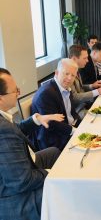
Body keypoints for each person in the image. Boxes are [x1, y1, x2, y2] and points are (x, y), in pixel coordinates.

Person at [0, 68, 63, 220]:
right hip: (13, 200)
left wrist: (35, 119)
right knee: (62, 188)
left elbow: (15, 132)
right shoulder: (3, 130)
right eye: (15, 90)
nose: (18, 93)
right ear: (1, 98)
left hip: (16, 170)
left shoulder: (5, 124)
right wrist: (50, 173)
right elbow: (22, 181)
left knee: (53, 152)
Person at [31, 59, 80, 151]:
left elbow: (72, 113)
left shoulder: (66, 88)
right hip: (52, 139)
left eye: (73, 75)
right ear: (57, 73)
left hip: (65, 129)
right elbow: (51, 123)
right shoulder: (46, 93)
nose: (69, 78)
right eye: (66, 73)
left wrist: (81, 125)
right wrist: (74, 131)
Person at [68, 44, 101, 113]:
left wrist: (92, 86)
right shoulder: (68, 73)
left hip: (84, 104)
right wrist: (97, 91)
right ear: (74, 58)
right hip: (77, 110)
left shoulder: (76, 69)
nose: (87, 60)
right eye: (85, 58)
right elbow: (74, 98)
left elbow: (80, 87)